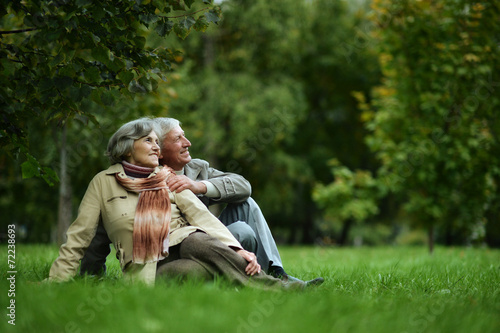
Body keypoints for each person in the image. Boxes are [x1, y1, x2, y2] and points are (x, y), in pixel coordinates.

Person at [48, 118, 304, 289]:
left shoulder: (168, 176)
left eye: (157, 142)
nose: (156, 149)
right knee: (194, 271)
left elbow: (202, 217)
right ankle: (246, 281)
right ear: (128, 148)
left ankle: (276, 286)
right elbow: (82, 236)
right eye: (149, 141)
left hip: (195, 241)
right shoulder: (103, 183)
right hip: (150, 266)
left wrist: (237, 249)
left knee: (199, 235)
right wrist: (64, 279)